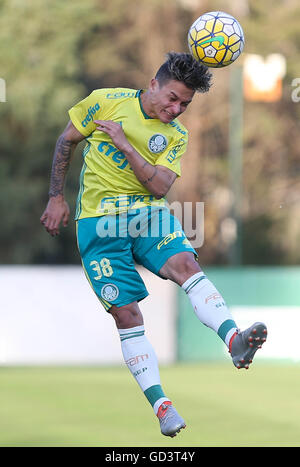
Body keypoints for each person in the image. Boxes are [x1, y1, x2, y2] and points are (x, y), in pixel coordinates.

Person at [40, 52, 267, 438]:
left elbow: (160, 186)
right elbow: (66, 140)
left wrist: (126, 145)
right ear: (153, 84)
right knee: (127, 316)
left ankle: (235, 339)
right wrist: (56, 197)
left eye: (185, 104)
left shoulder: (177, 136)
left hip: (147, 212)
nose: (176, 109)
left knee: (187, 266)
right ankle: (162, 407)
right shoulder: (105, 101)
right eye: (173, 98)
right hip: (98, 222)